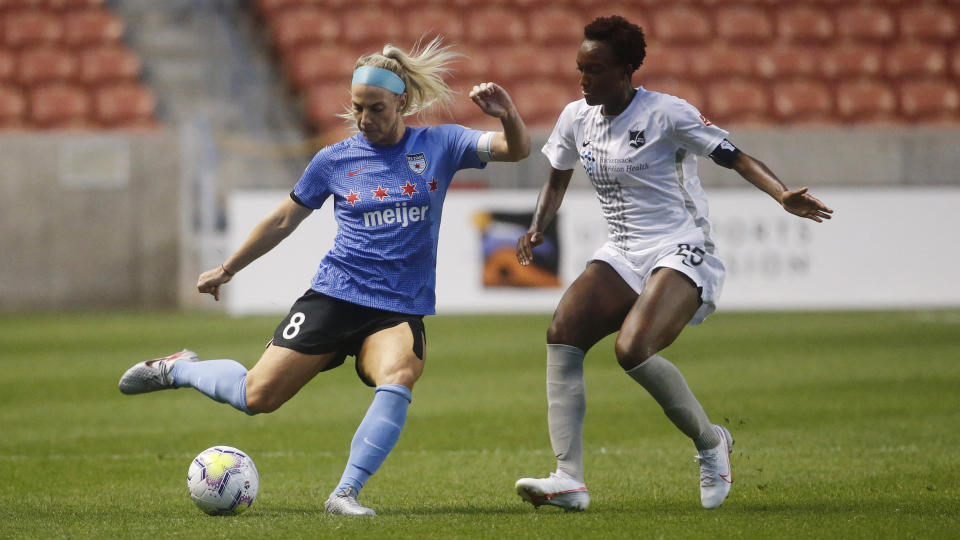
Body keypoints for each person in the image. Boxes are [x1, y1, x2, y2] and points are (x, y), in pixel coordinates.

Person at [118, 37, 530, 516]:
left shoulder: (441, 144)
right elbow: (282, 220)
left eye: (375, 108)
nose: (364, 119)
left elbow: (514, 150)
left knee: (398, 375)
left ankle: (345, 493)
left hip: (396, 308)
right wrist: (227, 269)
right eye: (356, 108)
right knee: (257, 396)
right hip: (335, 296)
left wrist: (507, 114)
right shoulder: (334, 160)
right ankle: (181, 367)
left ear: (401, 102)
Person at [513, 16, 832, 512]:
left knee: (632, 348)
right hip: (621, 249)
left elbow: (735, 155)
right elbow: (556, 179)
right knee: (562, 332)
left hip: (680, 246)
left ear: (625, 70)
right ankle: (569, 479)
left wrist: (781, 194)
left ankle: (712, 444)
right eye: (579, 68)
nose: (583, 79)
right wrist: (537, 226)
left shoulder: (667, 113)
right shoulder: (576, 116)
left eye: (593, 70)